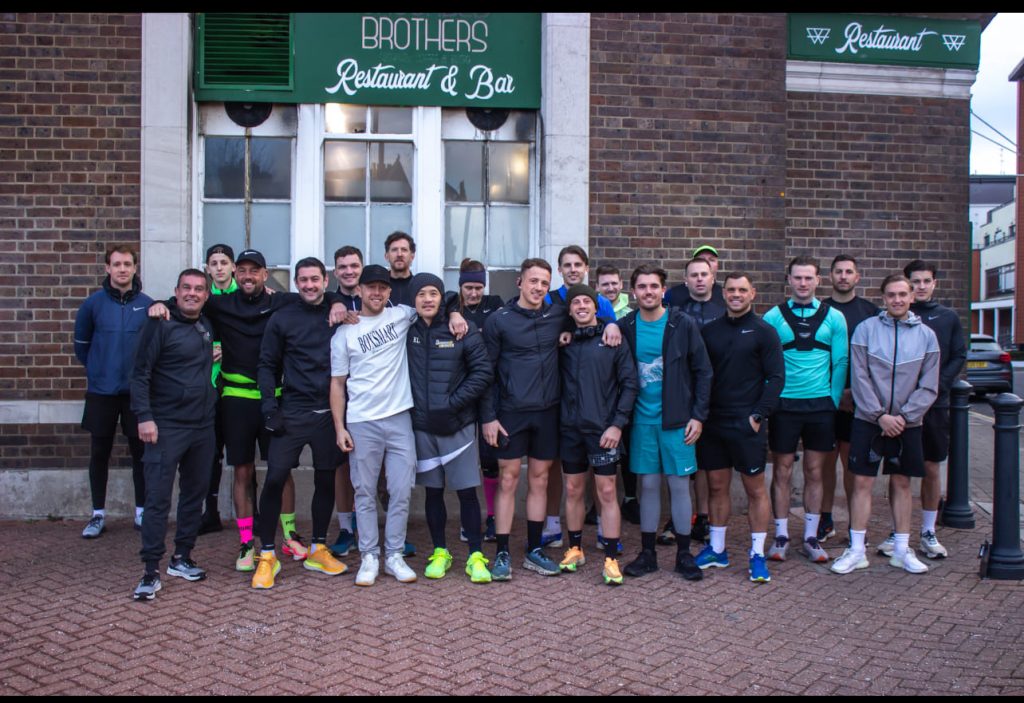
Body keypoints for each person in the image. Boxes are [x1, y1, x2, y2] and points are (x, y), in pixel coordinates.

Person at [147, 249, 310, 572]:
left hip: (275, 398)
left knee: (282, 470)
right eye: (243, 271)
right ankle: (247, 542)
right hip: (235, 398)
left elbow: (319, 295)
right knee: (243, 471)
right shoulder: (219, 305)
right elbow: (186, 300)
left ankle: (290, 535)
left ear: (266, 274)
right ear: (234, 274)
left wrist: (335, 303)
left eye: (256, 271)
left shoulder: (282, 302)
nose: (248, 276)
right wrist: (161, 305)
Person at [482, 258, 621, 580]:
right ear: (519, 282)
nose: (538, 288)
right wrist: (488, 417)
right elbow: (486, 373)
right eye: (533, 281)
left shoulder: (558, 315)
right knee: (508, 479)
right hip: (510, 414)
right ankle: (502, 552)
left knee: (540, 480)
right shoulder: (499, 320)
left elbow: (591, 317)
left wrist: (611, 323)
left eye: (544, 283)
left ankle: (533, 549)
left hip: (549, 413)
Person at [330, 265, 468, 587]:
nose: (377, 293)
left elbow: (437, 299)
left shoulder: (402, 315)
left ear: (390, 292)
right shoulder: (344, 333)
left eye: (383, 288)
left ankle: (393, 554)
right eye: (370, 287)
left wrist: (454, 314)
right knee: (364, 491)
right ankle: (368, 556)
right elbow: (337, 384)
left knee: (401, 489)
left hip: (400, 418)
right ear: (360, 291)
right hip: (362, 421)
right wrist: (340, 427)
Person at [251, 257, 349, 589]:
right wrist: (269, 408)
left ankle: (319, 548)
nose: (308, 285)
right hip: (291, 412)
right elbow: (266, 364)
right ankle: (266, 555)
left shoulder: (339, 315)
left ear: (326, 281)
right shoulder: (282, 318)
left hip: (328, 414)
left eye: (314, 279)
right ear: (296, 283)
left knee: (326, 480)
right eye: (302, 280)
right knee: (275, 478)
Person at [832, 274, 939, 575]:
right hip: (869, 419)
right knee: (862, 483)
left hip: (909, 423)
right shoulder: (866, 330)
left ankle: (902, 550)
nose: (898, 300)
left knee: (903, 483)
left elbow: (929, 384)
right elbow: (859, 376)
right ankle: (856, 550)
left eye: (903, 294)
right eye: (891, 295)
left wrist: (904, 417)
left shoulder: (927, 336)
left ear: (911, 297)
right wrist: (880, 415)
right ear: (883, 298)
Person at [619, 263, 712, 582]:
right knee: (647, 485)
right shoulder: (625, 325)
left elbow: (703, 371)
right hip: (641, 420)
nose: (648, 291)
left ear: (663, 290)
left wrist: (698, 416)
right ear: (633, 292)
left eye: (653, 286)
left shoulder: (681, 324)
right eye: (642, 286)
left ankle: (684, 554)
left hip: (677, 421)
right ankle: (647, 554)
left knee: (678, 485)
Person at [129, 269, 217, 601]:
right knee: (158, 500)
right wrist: (145, 417)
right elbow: (139, 373)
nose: (192, 293)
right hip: (166, 426)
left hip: (203, 427)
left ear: (206, 295)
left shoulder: (206, 325)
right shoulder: (158, 323)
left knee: (194, 496)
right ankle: (150, 570)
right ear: (175, 292)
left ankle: (182, 557)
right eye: (186, 288)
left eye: (199, 289)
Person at [873, 260, 967, 560]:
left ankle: (928, 530)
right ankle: (896, 530)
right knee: (899, 471)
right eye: (915, 282)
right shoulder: (892, 319)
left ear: (934, 283)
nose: (921, 287)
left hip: (934, 405)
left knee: (930, 467)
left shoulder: (947, 317)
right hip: (900, 409)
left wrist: (935, 387)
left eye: (927, 281)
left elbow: (958, 355)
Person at [694, 272, 784, 583]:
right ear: (724, 294)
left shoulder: (764, 332)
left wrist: (758, 415)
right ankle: (717, 549)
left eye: (741, 290)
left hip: (748, 424)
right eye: (730, 289)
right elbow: (700, 375)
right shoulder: (710, 331)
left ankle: (757, 553)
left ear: (752, 294)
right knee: (717, 487)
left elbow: (776, 379)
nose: (735, 294)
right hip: (714, 422)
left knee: (755, 489)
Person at [405, 273, 494, 583]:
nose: (427, 299)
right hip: (422, 428)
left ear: (443, 298)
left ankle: (475, 555)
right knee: (433, 493)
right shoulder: (406, 330)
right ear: (413, 300)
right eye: (421, 294)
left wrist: (452, 402)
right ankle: (440, 552)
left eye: (433, 293)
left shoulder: (461, 329)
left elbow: (483, 372)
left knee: (467, 494)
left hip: (458, 427)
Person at [762, 256, 848, 564]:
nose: (802, 283)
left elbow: (840, 362)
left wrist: (833, 400)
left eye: (808, 278)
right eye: (797, 278)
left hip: (820, 407)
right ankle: (781, 534)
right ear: (789, 280)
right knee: (782, 470)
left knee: (815, 471)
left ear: (818, 280)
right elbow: (766, 363)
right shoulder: (773, 316)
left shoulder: (834, 317)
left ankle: (811, 537)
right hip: (785, 406)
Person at [556, 284, 638, 586]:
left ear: (595, 307)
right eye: (575, 302)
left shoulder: (612, 339)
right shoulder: (564, 341)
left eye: (586, 302)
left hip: (604, 429)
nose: (580, 306)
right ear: (570, 310)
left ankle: (612, 556)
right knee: (574, 489)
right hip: (570, 430)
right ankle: (575, 548)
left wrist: (617, 425)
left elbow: (630, 384)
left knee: (606, 491)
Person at [540, 245, 617, 549]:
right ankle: (554, 523)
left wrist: (611, 325)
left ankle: (602, 527)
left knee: (603, 480)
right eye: (567, 265)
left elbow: (612, 326)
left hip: (596, 406)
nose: (572, 269)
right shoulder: (549, 298)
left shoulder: (599, 302)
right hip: (562, 399)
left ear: (586, 268)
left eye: (578, 264)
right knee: (562, 470)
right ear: (559, 270)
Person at [74, 245, 153, 538]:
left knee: (140, 453)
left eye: (127, 264)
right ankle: (97, 514)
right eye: (116, 264)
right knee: (99, 451)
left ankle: (142, 511)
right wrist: (99, 371)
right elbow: (81, 347)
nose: (122, 269)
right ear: (107, 268)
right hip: (102, 392)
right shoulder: (92, 305)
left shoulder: (147, 305)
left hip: (135, 394)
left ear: (135, 268)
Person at [820, 255, 880, 543]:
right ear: (830, 276)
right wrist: (834, 392)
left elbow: (875, 359)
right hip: (825, 400)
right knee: (824, 464)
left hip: (860, 401)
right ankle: (825, 518)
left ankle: (855, 528)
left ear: (857, 277)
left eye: (849, 272)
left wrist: (856, 392)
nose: (843, 276)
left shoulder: (870, 312)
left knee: (852, 465)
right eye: (838, 272)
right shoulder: (820, 310)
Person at [457, 258, 506, 543]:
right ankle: (468, 519)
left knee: (490, 458)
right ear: (460, 286)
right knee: (464, 459)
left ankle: (491, 517)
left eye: (478, 287)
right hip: (461, 390)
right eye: (468, 287)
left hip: (491, 389)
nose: (473, 293)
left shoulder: (496, 303)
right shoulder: (452, 305)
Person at [595, 264, 640, 526]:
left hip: (626, 385)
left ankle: (631, 497)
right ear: (598, 286)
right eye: (605, 284)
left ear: (621, 284)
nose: (610, 288)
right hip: (602, 390)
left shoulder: (630, 314)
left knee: (628, 448)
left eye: (614, 283)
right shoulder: (593, 308)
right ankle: (598, 505)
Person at [198, 243, 237, 535]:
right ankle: (210, 511)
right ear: (208, 268)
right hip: (211, 384)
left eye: (224, 262)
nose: (220, 267)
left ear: (233, 267)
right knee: (211, 452)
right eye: (214, 263)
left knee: (244, 453)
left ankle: (253, 510)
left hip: (240, 385)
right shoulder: (203, 301)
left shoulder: (247, 296)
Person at [328, 245, 364, 557]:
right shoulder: (326, 300)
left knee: (375, 469)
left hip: (372, 395)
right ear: (335, 271)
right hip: (337, 393)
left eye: (354, 265)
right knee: (342, 466)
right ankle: (346, 528)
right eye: (343, 266)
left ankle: (375, 527)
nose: (349, 271)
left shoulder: (379, 300)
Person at [664, 244, 725, 308]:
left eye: (711, 260)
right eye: (701, 259)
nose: (707, 262)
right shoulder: (673, 294)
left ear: (717, 265)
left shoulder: (725, 295)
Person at [384, 231, 416, 306]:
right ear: (386, 256)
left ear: (412, 256)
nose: (399, 254)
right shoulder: (379, 287)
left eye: (404, 250)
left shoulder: (419, 287)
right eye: (394, 250)